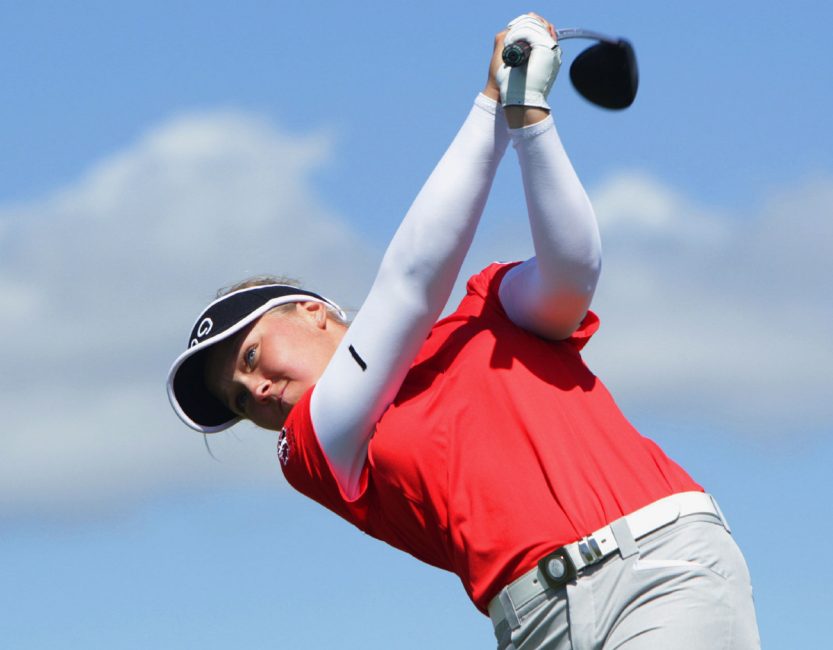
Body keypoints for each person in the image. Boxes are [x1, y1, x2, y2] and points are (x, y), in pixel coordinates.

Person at [166, 14, 760, 649]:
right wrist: (487, 108)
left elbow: (570, 274)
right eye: (236, 398)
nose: (255, 391)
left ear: (312, 310)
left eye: (252, 355)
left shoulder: (487, 309)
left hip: (661, 570)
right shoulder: (314, 449)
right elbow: (409, 288)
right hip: (532, 626)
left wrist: (528, 116)